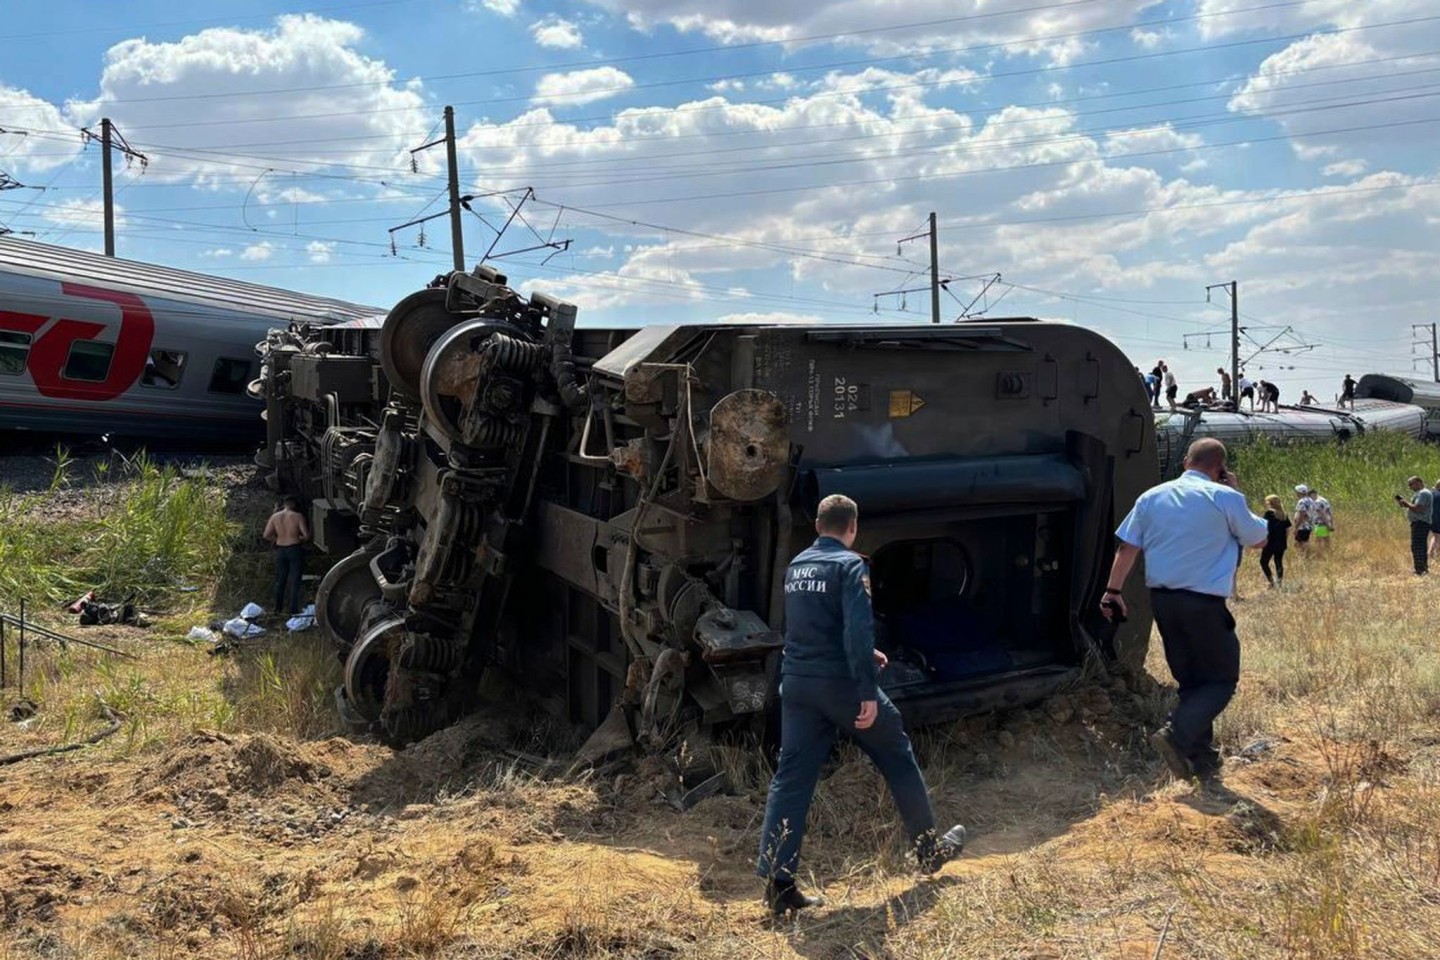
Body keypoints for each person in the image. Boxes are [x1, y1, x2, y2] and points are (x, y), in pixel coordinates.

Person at [756, 494, 965, 916]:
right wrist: (867, 690)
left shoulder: (797, 566)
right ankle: (928, 851)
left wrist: (865, 654)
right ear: (852, 528)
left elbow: (809, 626)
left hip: (797, 684)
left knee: (791, 779)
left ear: (817, 526)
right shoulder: (851, 566)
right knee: (897, 754)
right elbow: (855, 627)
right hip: (841, 686)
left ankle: (779, 884)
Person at [1101, 439, 1268, 783]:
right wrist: (1238, 493)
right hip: (1203, 603)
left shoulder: (1152, 497)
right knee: (1222, 679)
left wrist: (1112, 591)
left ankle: (1200, 757)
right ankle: (1176, 735)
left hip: (1163, 602)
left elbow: (1127, 548)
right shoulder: (1225, 497)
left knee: (1192, 680)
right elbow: (1259, 539)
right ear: (1220, 469)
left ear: (1185, 464)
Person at [263, 496, 310, 615]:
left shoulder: (275, 517)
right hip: (294, 548)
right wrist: (298, 538)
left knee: (280, 580)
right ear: (293, 504)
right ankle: (293, 609)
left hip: (280, 550)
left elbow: (266, 535)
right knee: (294, 579)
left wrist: (277, 538)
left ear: (284, 504)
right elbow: (306, 536)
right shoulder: (297, 516)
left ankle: (278, 608)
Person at [1396, 476, 1433, 575]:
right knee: (1419, 546)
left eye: (1411, 484)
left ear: (1418, 482)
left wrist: (1406, 503)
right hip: (1419, 523)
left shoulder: (1423, 493)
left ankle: (1420, 570)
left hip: (1420, 523)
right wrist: (1406, 504)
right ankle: (1422, 568)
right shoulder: (1421, 493)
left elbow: (1418, 509)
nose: (1410, 487)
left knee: (1417, 546)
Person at [1260, 495, 1291, 588]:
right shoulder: (1284, 514)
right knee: (1278, 562)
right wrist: (1284, 540)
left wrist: (1262, 540)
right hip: (1281, 542)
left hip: (1269, 542)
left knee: (1263, 562)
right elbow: (1287, 530)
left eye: (1267, 502)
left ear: (1270, 503)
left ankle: (1271, 582)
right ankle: (1280, 583)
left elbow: (1264, 527)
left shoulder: (1269, 513)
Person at [1292, 484, 1315, 550]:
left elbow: (1301, 515)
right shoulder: (1311, 500)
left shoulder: (1301, 501)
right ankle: (1307, 557)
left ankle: (1302, 558)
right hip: (1309, 525)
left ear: (1299, 492)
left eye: (1296, 492)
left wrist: (1296, 527)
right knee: (1305, 542)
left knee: (1298, 544)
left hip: (1302, 526)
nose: (1296, 493)